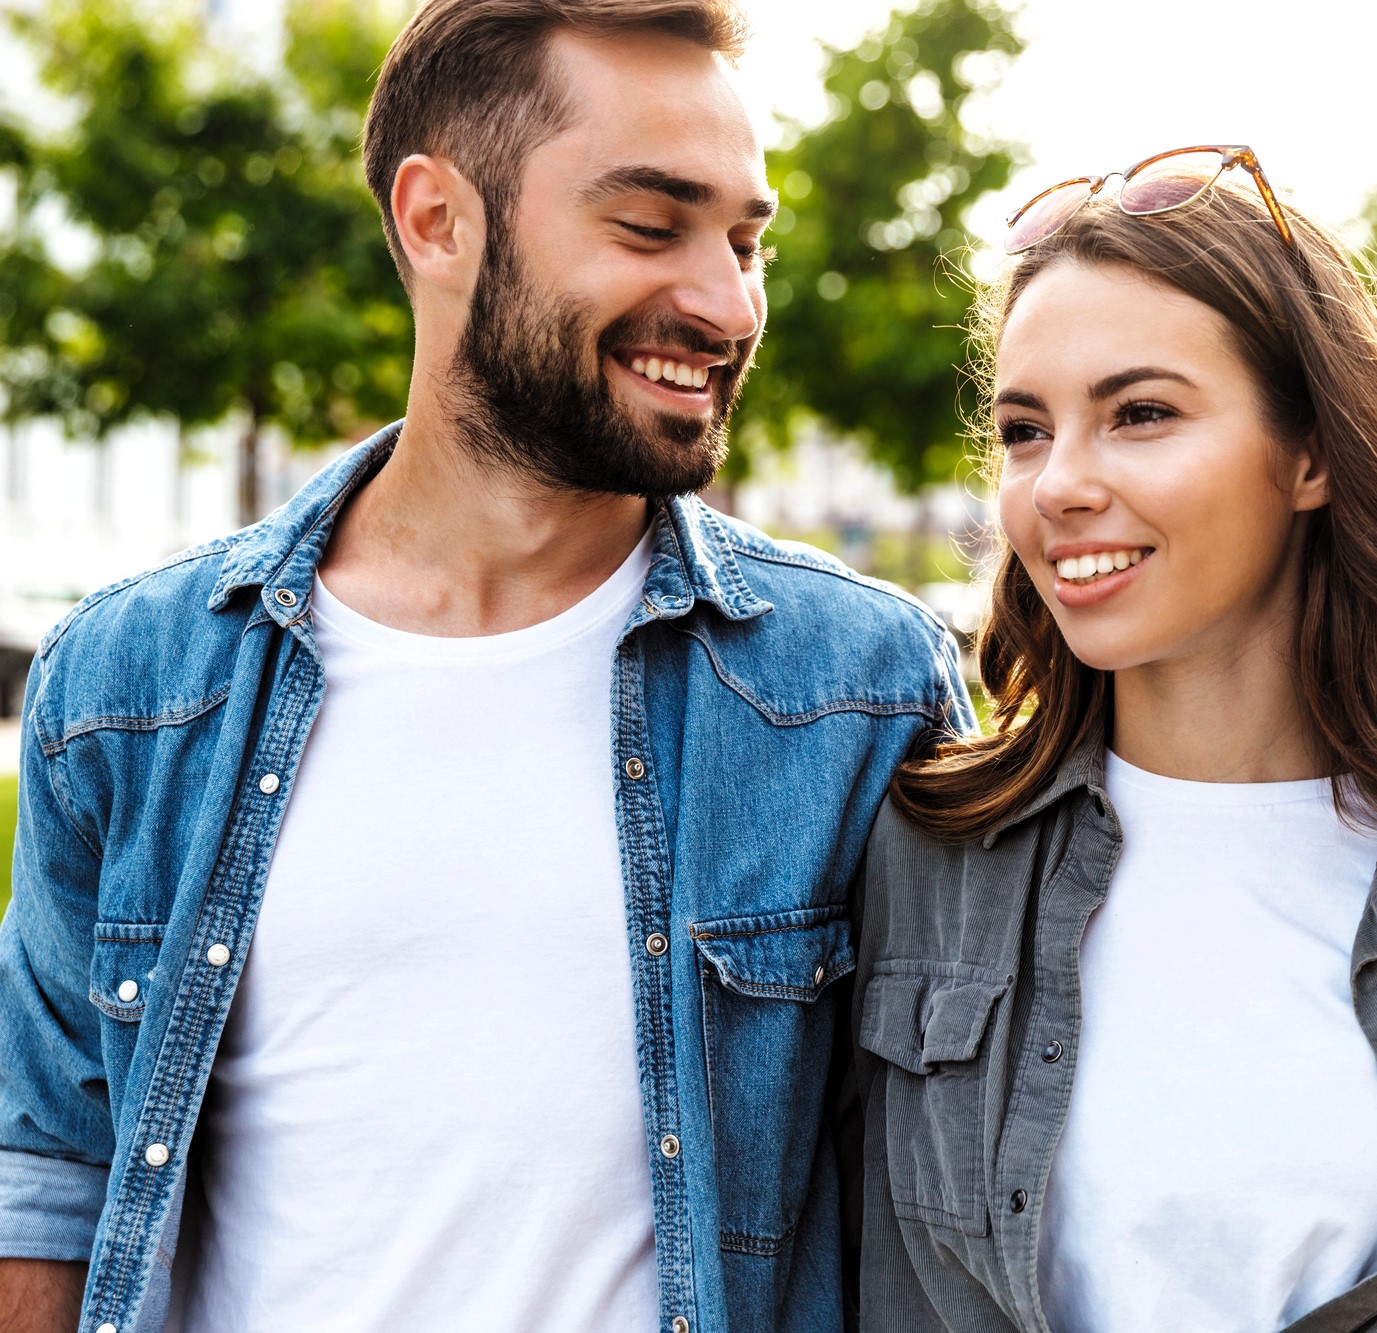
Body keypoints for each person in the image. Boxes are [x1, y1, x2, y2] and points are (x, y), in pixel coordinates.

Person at [0, 3, 970, 1331]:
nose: (725, 301)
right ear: (437, 220)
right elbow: (48, 1173)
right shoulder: (126, 685)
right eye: (650, 225)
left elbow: (954, 1208)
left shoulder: (858, 690)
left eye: (748, 241)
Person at [849, 148, 1377, 1331]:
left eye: (1139, 413)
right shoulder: (923, 853)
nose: (1057, 484)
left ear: (1309, 455)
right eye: (1023, 429)